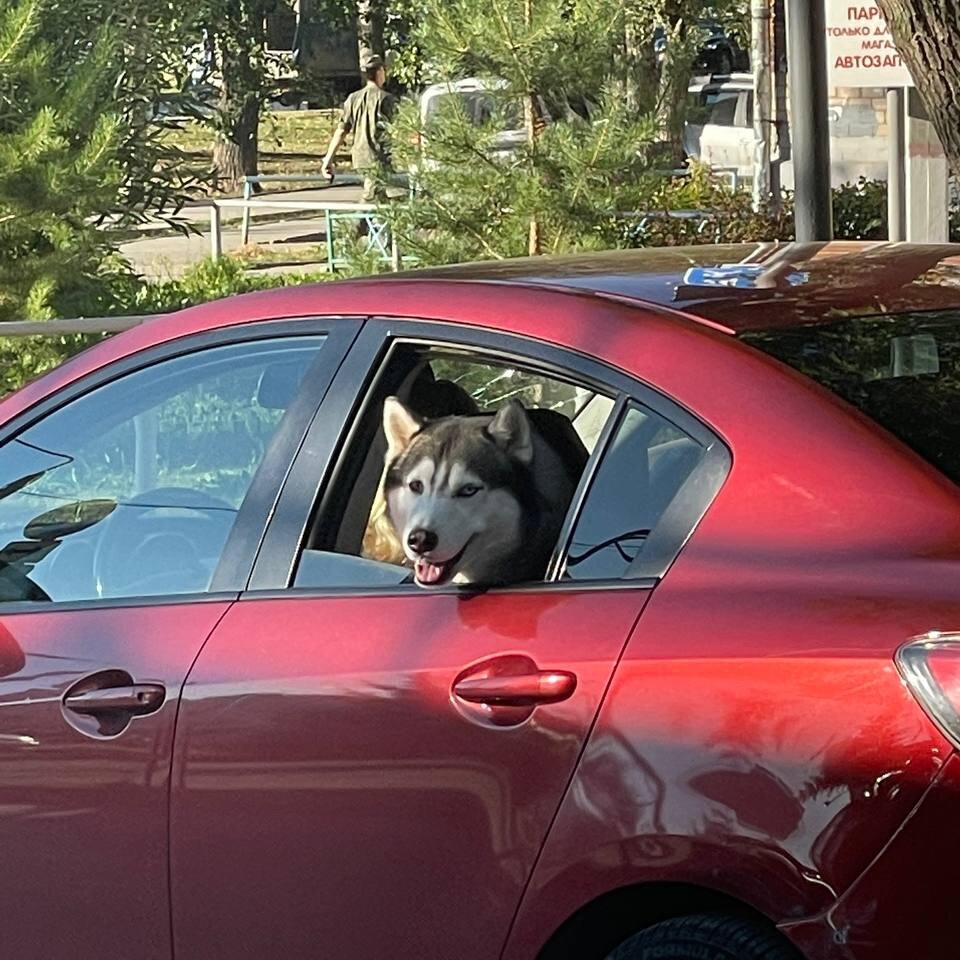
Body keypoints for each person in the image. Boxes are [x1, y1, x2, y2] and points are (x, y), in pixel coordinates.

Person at [321, 54, 397, 202]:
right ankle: (357, 224)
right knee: (371, 198)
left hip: (360, 157)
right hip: (378, 157)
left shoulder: (353, 99)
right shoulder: (385, 99)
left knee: (383, 199)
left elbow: (341, 130)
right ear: (380, 71)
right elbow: (397, 130)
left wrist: (328, 159)